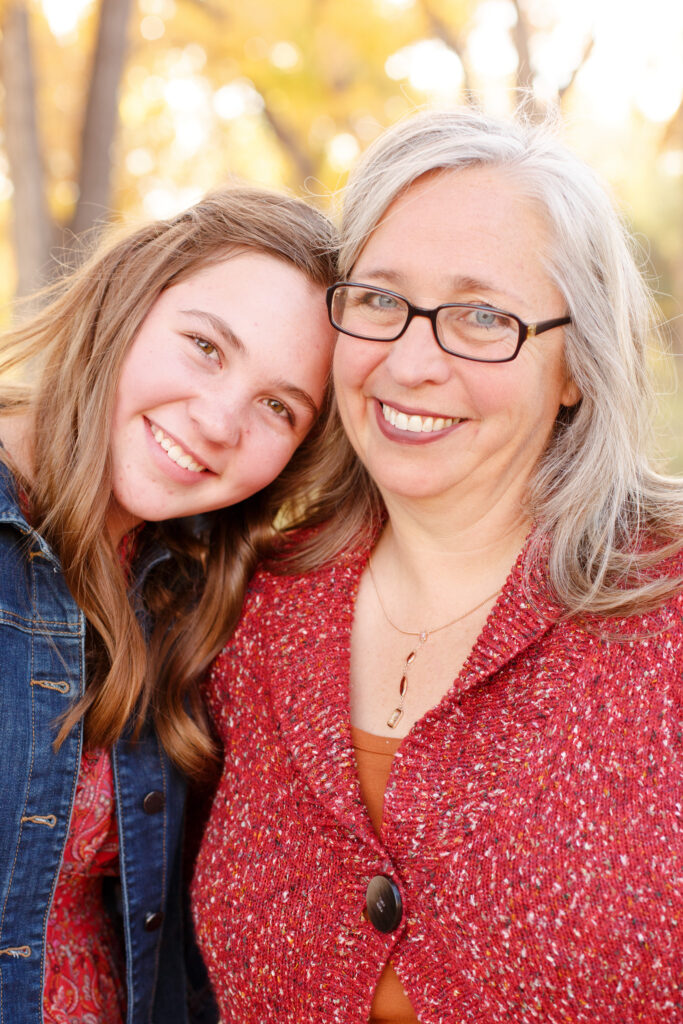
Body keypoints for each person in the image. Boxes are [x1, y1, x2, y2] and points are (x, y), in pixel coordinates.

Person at [191, 109, 683, 1023]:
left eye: (482, 316)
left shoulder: (666, 609)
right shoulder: (252, 610)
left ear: (573, 362)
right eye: (378, 298)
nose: (411, 361)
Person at [0, 185, 337, 1024]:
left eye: (277, 407)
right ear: (126, 300)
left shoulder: (190, 594)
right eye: (205, 346)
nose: (222, 421)